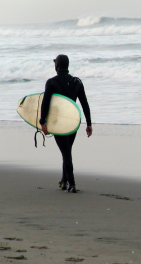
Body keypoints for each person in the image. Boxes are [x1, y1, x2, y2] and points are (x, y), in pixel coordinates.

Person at [39, 54, 92, 193]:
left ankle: (72, 184)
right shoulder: (77, 82)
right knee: (66, 150)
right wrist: (89, 123)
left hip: (59, 122)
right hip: (74, 121)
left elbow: (45, 103)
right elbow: (84, 103)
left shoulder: (51, 82)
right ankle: (64, 181)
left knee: (66, 152)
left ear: (57, 66)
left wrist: (42, 121)